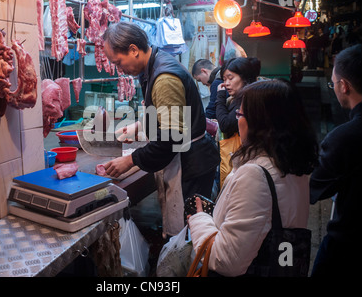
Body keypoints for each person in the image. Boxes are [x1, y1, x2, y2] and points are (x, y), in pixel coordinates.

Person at [188, 79, 319, 277]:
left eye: (240, 113)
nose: (237, 119)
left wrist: (199, 219)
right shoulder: (293, 163)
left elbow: (226, 261)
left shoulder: (255, 174)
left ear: (260, 123)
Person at [101, 22, 220, 236]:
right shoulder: (153, 64)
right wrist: (139, 126)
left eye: (118, 62)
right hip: (188, 155)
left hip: (190, 162)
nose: (120, 69)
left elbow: (170, 140)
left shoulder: (164, 77)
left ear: (133, 50)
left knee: (190, 232)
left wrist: (130, 160)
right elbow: (167, 111)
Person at [309, 44, 362, 277]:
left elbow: (312, 189)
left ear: (344, 86)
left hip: (348, 247)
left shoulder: (345, 138)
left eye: (333, 83)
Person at [215, 57, 261, 188]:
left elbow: (225, 124)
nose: (226, 83)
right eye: (224, 79)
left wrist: (219, 95)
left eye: (230, 78)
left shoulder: (246, 99)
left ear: (244, 77)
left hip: (244, 158)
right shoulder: (238, 98)